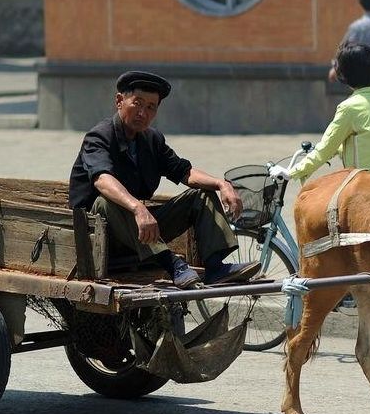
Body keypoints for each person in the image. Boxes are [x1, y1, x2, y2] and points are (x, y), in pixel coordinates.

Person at [68, 71, 260, 289]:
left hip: (139, 232)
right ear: (119, 101)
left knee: (201, 195)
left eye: (151, 107)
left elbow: (184, 172)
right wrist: (137, 208)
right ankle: (173, 264)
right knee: (105, 201)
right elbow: (102, 179)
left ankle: (215, 266)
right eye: (137, 103)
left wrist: (222, 184)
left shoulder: (152, 140)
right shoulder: (99, 136)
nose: (143, 113)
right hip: (100, 235)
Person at [273, 42, 370, 181]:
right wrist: (339, 147)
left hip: (366, 186)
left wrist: (291, 173)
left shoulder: (348, 107)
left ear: (345, 75)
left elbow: (324, 150)